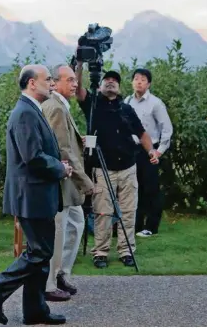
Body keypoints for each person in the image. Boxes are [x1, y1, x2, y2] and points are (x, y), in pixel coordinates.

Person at [0, 64, 72, 326]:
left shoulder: (32, 110)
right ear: (32, 83)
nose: (52, 83)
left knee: (40, 254)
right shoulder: (25, 113)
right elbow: (32, 157)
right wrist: (60, 168)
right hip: (31, 195)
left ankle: (35, 311)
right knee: (40, 253)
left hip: (37, 195)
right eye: (47, 79)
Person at [74, 63, 158, 269]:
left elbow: (142, 134)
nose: (111, 81)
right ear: (101, 85)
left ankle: (126, 251)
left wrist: (151, 152)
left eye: (115, 81)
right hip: (103, 169)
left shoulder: (127, 109)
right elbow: (77, 89)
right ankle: (100, 252)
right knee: (103, 212)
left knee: (129, 212)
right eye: (107, 79)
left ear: (120, 88)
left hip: (129, 167)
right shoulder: (92, 104)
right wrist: (79, 64)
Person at [41, 64, 95, 302]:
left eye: (75, 80)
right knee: (59, 231)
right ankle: (49, 284)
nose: (75, 84)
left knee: (76, 224)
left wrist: (79, 140)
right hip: (63, 180)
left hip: (68, 180)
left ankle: (62, 272)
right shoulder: (55, 107)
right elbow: (61, 150)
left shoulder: (63, 105)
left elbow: (66, 141)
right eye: (70, 80)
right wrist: (86, 182)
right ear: (55, 82)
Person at [124, 69, 173, 238]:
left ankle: (151, 226)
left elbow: (167, 129)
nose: (139, 82)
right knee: (133, 188)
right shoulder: (127, 101)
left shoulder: (155, 103)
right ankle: (135, 225)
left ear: (149, 84)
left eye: (143, 80)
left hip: (150, 150)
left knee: (150, 189)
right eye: (136, 79)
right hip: (131, 149)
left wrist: (158, 152)